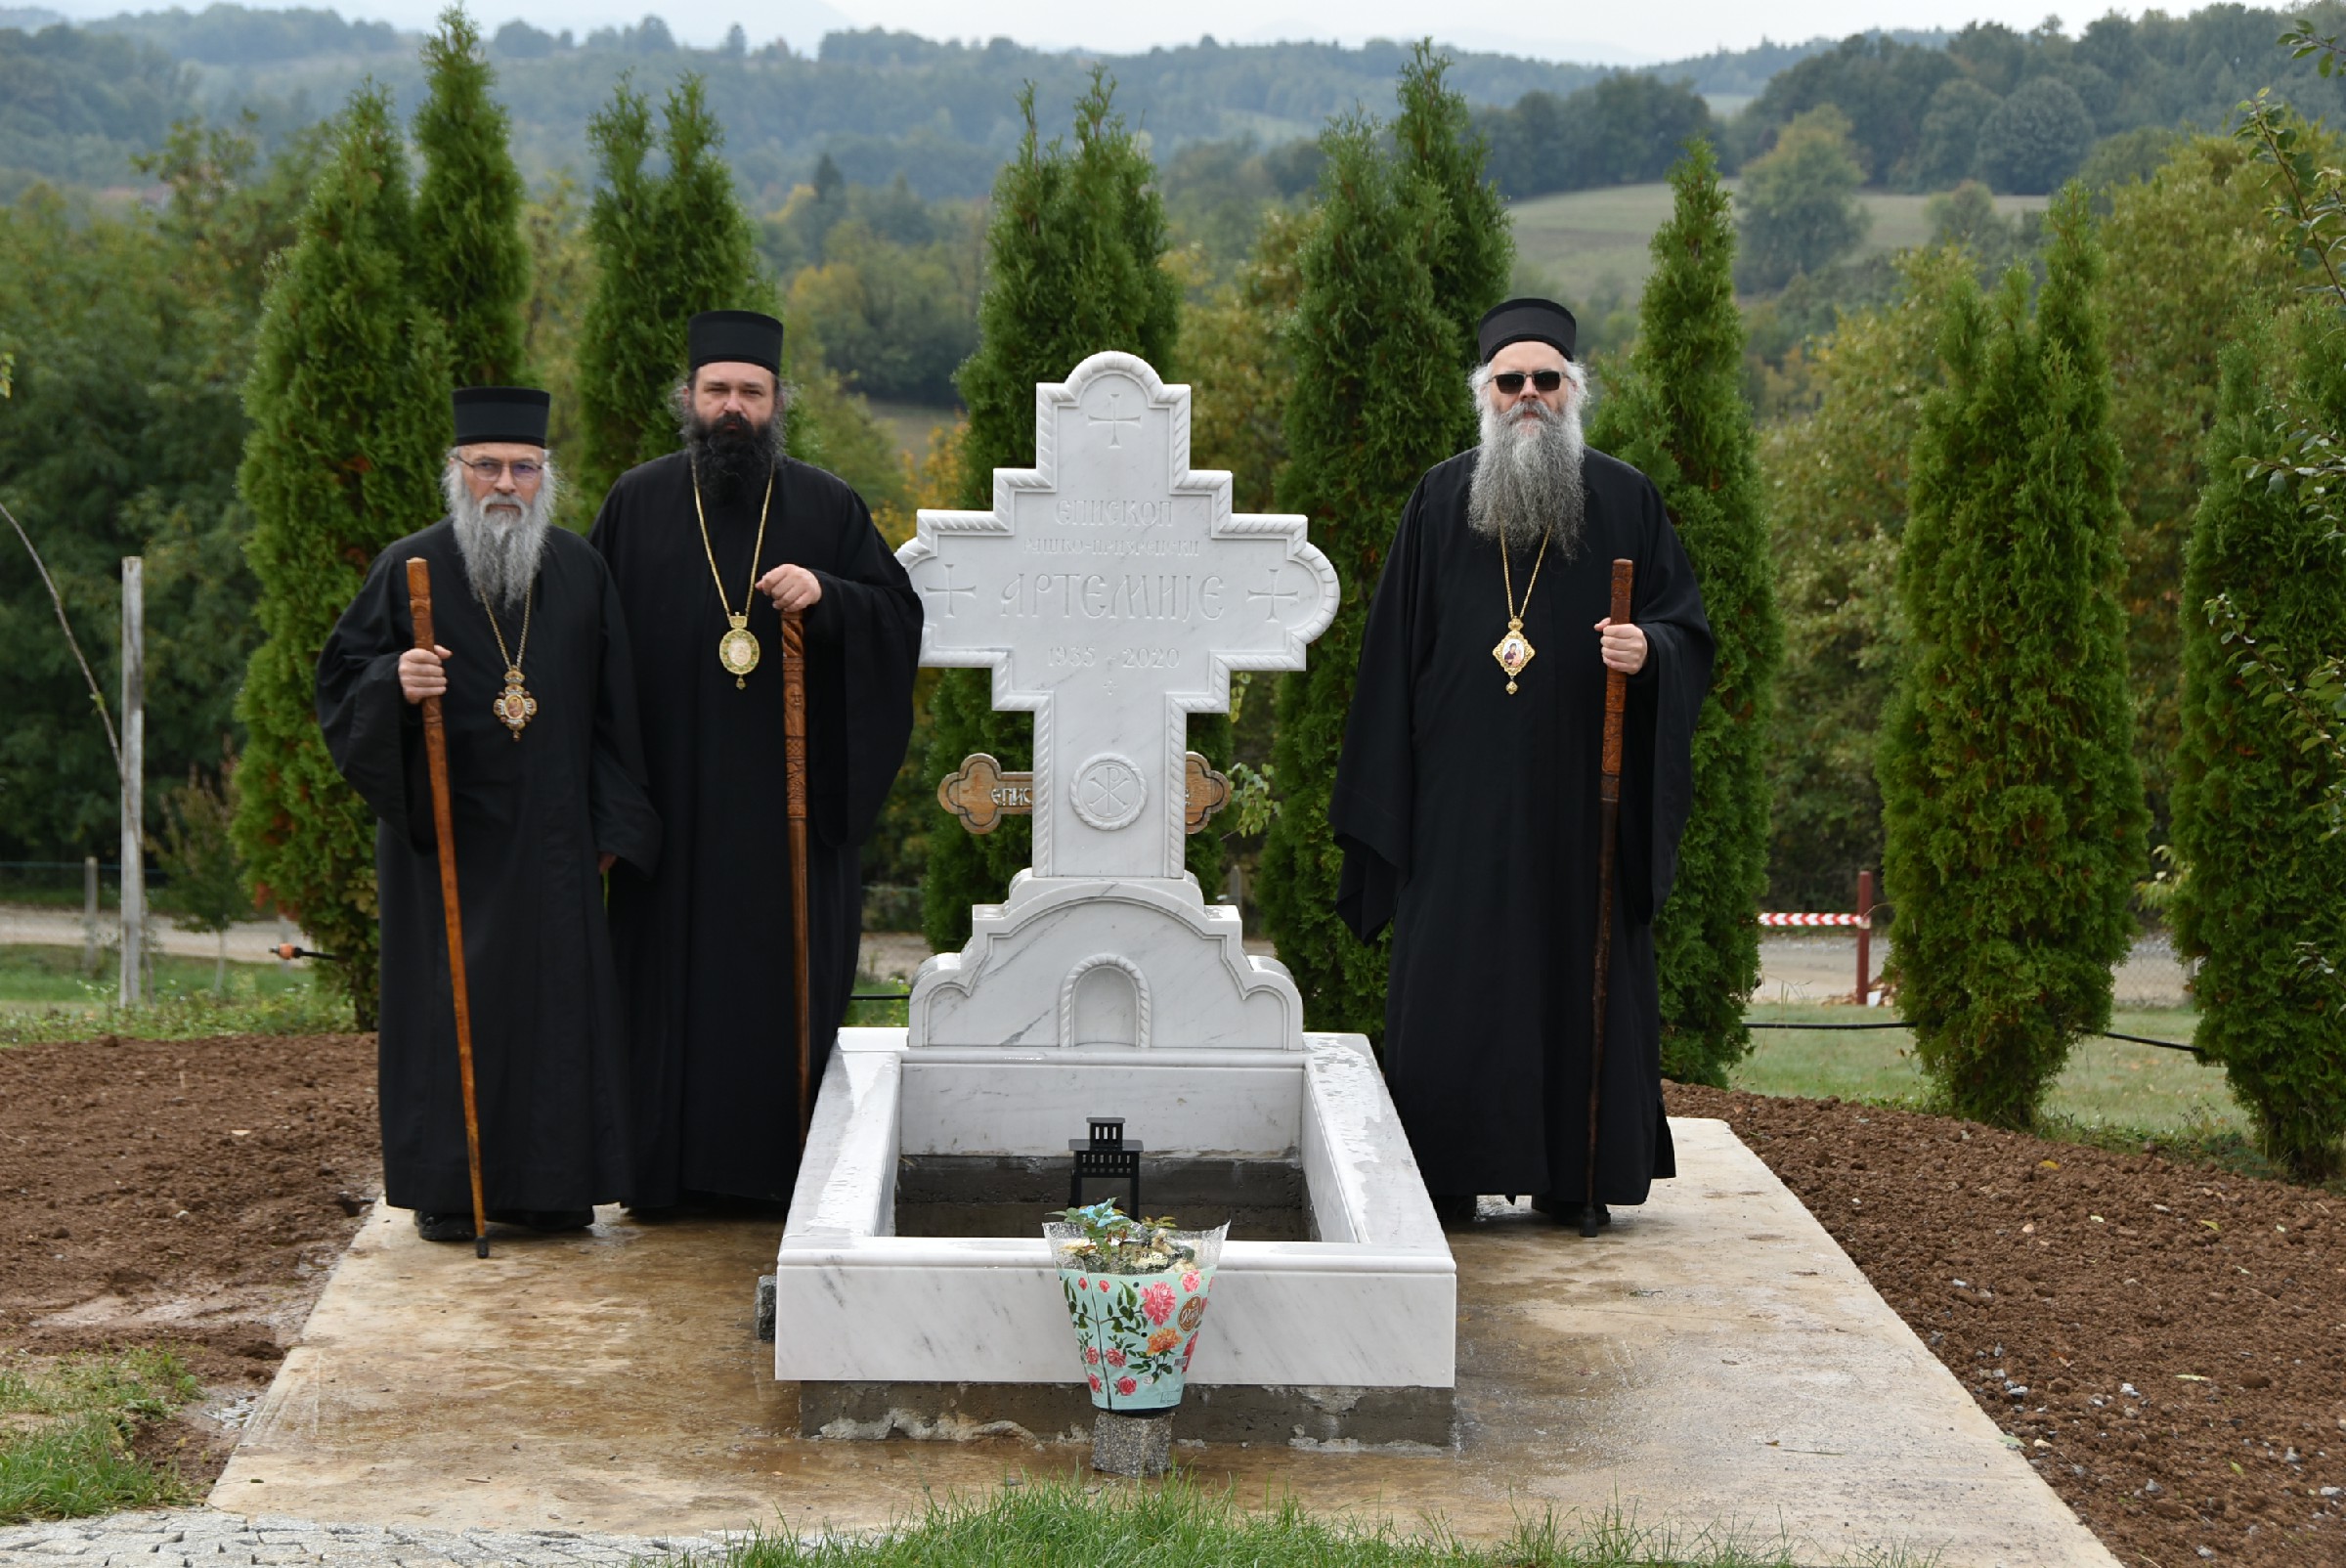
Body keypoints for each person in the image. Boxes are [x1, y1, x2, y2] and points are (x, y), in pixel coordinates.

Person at [1328, 298, 1715, 1230]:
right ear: (1486, 394)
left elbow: (1686, 629)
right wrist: (1388, 805)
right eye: (1512, 381)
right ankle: (1447, 1175)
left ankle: (1573, 1178)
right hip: (1456, 807)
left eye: (1548, 380)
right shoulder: (1439, 500)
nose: (1529, 395)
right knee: (1454, 983)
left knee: (1574, 976)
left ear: (1574, 390)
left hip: (1580, 802)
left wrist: (1650, 651)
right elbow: (1390, 658)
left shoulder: (1624, 499)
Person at [589, 310, 922, 1208]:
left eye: (751, 391)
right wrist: (609, 807)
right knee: (664, 998)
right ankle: (661, 1179)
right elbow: (588, 654)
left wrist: (831, 595)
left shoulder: (825, 506)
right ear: (689, 399)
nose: (732, 407)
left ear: (777, 402)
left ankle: (786, 1181)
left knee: (774, 999)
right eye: (717, 391)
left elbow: (898, 619)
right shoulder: (634, 505)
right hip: (669, 817)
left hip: (789, 822)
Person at [318, 386, 661, 1241]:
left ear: (545, 476)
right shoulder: (409, 567)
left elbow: (618, 711)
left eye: (523, 467)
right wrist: (394, 682)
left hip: (556, 842)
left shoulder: (579, 570)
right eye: (488, 466)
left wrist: (612, 829)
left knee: (556, 1014)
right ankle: (450, 1189)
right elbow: (342, 682)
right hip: (448, 841)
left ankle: (555, 1189)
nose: (506, 483)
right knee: (450, 1008)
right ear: (457, 471)